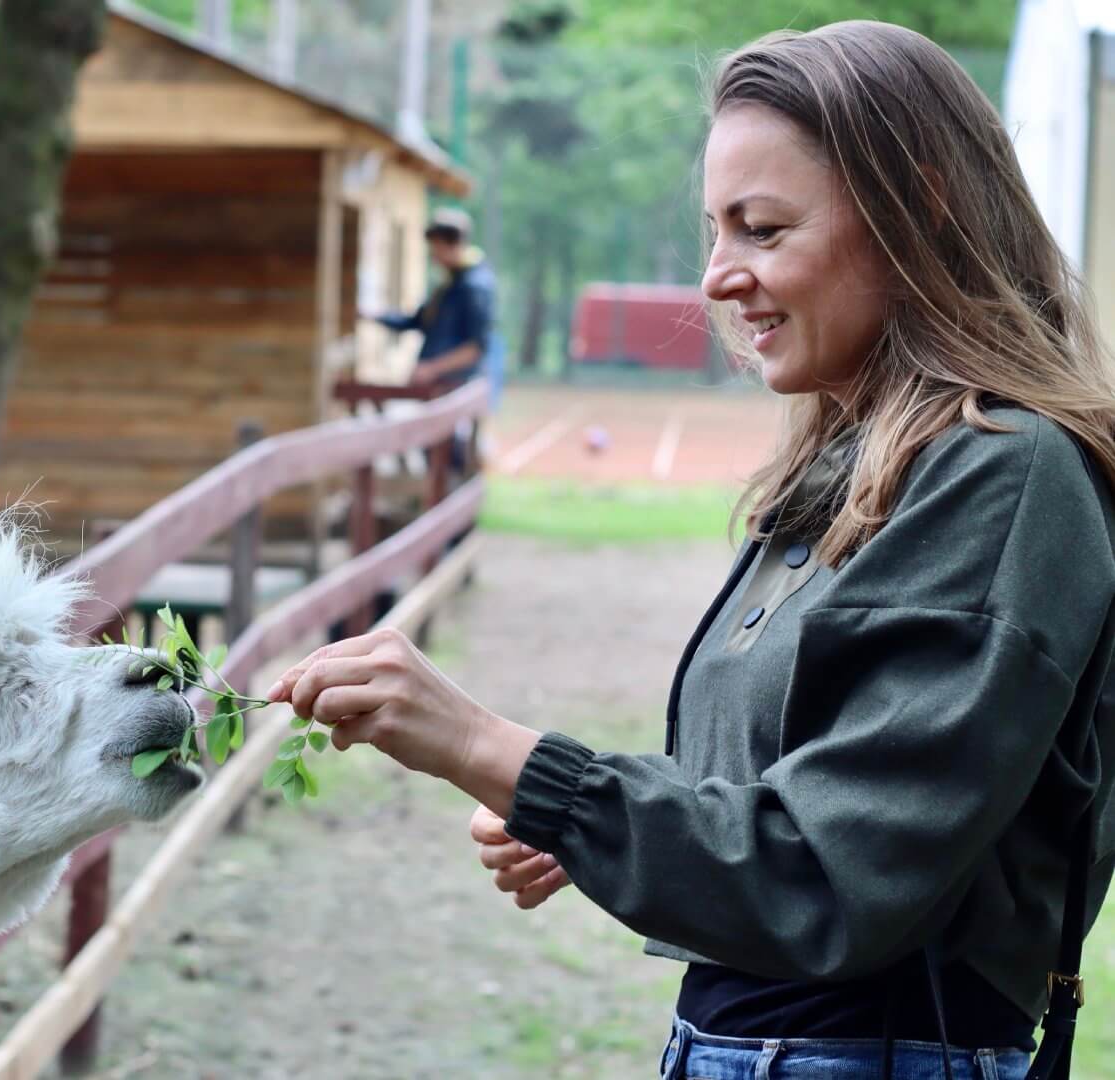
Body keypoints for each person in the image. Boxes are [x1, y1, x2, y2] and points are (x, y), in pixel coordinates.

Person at [268, 20, 1113, 1080]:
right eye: (716, 231)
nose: (718, 278)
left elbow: (831, 876)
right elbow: (812, 787)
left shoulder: (1005, 474)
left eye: (762, 229)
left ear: (921, 205)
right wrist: (601, 822)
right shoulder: (853, 462)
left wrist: (493, 749)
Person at [372, 207, 498, 399]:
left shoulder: (475, 286)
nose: (434, 256)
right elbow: (418, 321)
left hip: (456, 386)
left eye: (437, 248)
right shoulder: (450, 284)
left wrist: (431, 369)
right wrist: (375, 315)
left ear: (455, 244)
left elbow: (475, 348)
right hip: (439, 386)